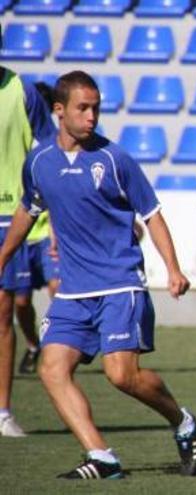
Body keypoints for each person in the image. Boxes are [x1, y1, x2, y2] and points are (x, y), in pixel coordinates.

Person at [0, 70, 196, 479]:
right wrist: (3, 256)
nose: (92, 116)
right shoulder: (39, 161)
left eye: (96, 108)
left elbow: (152, 214)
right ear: (59, 111)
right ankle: (101, 456)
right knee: (52, 369)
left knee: (121, 376)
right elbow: (29, 208)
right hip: (74, 291)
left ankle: (182, 420)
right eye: (83, 108)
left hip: (120, 283)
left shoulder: (114, 159)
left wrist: (173, 269)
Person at [0, 44, 55, 436]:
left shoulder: (22, 90)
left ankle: (2, 412)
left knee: (5, 312)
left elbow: (53, 148)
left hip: (8, 218)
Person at [15, 211, 60, 374]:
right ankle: (33, 345)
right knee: (21, 301)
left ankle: (60, 346)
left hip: (46, 236)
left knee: (57, 288)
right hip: (18, 238)